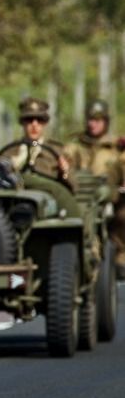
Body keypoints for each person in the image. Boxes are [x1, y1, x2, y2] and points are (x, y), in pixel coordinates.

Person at [64, 99, 125, 274]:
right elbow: (64, 165)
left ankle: (120, 257)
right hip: (83, 197)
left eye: (98, 120)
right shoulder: (75, 146)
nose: (93, 124)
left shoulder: (117, 147)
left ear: (106, 121)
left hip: (113, 198)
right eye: (90, 119)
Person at [0, 96, 79, 217]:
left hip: (50, 209)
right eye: (29, 120)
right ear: (22, 122)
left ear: (45, 123)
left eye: (39, 120)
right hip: (15, 208)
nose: (34, 125)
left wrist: (65, 172)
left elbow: (74, 187)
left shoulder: (57, 151)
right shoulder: (9, 151)